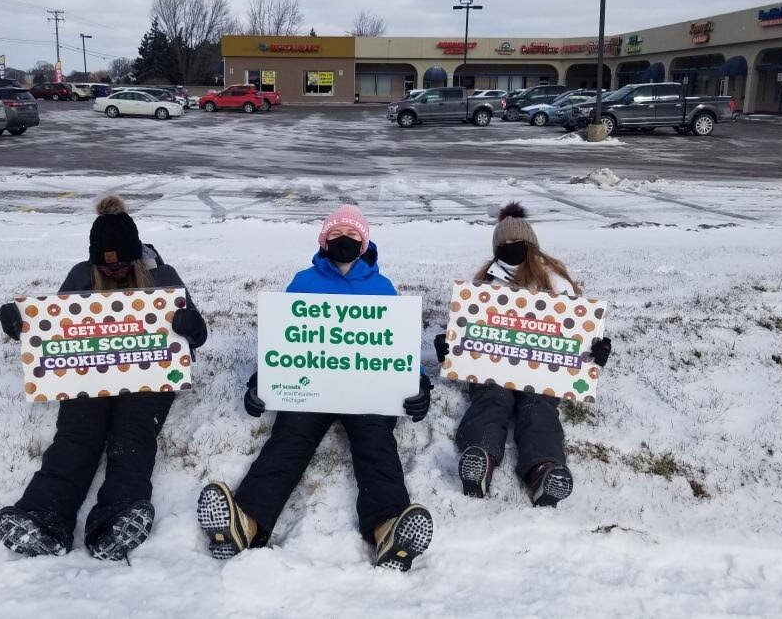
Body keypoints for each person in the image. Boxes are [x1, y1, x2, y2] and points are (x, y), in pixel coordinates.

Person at [196, 205, 434, 572]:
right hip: (314, 386)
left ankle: (388, 529)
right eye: (337, 235)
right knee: (290, 437)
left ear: (364, 243)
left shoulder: (381, 288)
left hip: (366, 387)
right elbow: (285, 339)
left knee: (376, 442)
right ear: (325, 241)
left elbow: (395, 341)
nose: (345, 241)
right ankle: (246, 523)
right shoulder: (304, 282)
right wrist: (264, 379)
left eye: (353, 237)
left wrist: (417, 379)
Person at [0, 195, 208, 561]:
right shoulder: (81, 274)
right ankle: (43, 516)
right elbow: (53, 328)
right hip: (88, 375)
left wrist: (191, 326)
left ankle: (118, 516)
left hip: (148, 374)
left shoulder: (162, 277)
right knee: (78, 434)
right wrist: (20, 322)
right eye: (105, 268)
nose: (112, 273)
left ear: (136, 257)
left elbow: (198, 336)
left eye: (121, 266)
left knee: (133, 434)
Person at [435, 202, 612, 506]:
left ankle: (544, 470)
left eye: (517, 243)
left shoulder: (555, 282)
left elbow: (577, 332)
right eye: (503, 244)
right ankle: (481, 459)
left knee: (538, 406)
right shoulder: (485, 284)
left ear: (531, 246)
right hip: (495, 369)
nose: (510, 248)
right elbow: (468, 331)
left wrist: (593, 350)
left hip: (542, 373)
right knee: (492, 399)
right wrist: (449, 347)